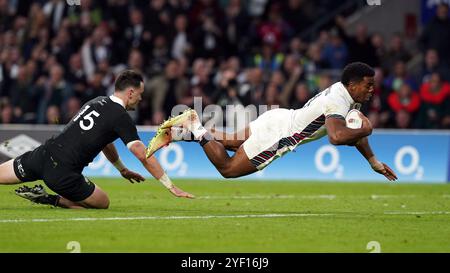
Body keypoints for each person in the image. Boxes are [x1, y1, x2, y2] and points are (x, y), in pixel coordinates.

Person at [147, 62, 397, 181]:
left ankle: (180, 133)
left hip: (278, 117)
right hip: (279, 136)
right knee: (229, 169)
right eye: (368, 85)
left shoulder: (346, 95)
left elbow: (353, 132)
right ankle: (195, 126)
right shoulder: (338, 102)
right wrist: (367, 127)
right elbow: (337, 137)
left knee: (231, 141)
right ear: (352, 84)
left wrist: (373, 162)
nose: (372, 89)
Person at [0, 70, 193, 209]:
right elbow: (142, 154)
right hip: (63, 172)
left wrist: (121, 169)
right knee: (102, 202)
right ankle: (50, 199)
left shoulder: (96, 101)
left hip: (42, 155)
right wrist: (170, 186)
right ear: (130, 93)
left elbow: (104, 141)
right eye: (140, 95)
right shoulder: (121, 117)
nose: (141, 100)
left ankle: (42, 192)